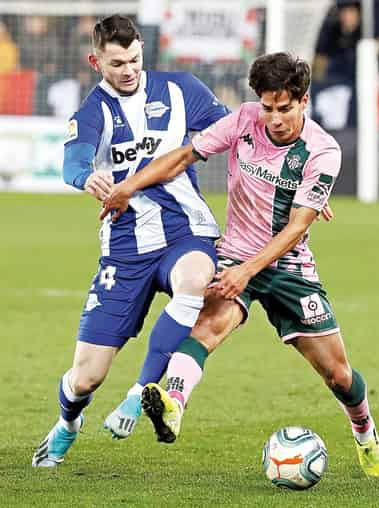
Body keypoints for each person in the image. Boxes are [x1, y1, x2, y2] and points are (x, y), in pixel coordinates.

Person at [101, 52, 379, 478]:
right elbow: (183, 157)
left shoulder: (323, 150)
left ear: (304, 101)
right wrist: (127, 186)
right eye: (268, 108)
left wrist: (247, 271)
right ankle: (174, 404)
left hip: (288, 265)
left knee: (338, 375)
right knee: (208, 327)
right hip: (234, 251)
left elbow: (296, 228)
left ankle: (366, 433)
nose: (273, 119)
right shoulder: (244, 120)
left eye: (284, 109)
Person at [32, 14, 230, 467]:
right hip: (124, 248)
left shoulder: (182, 89)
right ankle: (68, 423)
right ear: (95, 61)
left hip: (187, 229)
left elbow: (238, 129)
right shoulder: (92, 113)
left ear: (143, 49)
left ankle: (140, 393)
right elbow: (73, 164)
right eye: (117, 63)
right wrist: (89, 179)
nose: (128, 70)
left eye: (135, 59)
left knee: (197, 279)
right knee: (84, 379)